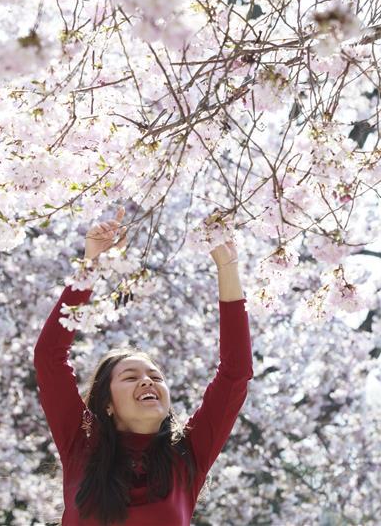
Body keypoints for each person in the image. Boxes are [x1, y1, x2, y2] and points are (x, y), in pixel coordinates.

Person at [33, 206, 253, 525]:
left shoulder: (189, 457)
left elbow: (236, 374)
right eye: (131, 376)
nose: (148, 382)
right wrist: (92, 263)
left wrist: (228, 267)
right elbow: (48, 357)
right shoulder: (81, 446)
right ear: (106, 403)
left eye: (155, 376)